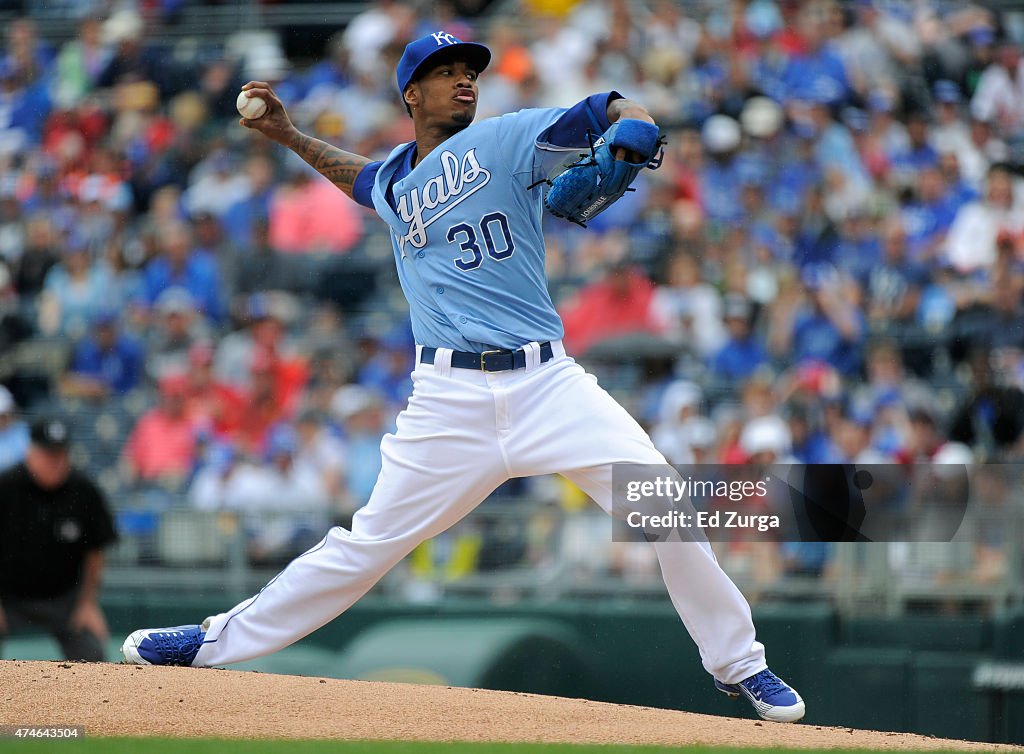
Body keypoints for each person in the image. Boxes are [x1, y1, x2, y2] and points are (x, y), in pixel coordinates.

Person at [121, 31, 805, 723]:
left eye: (468, 71)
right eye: (445, 72)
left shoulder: (510, 137)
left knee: (666, 507)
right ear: (411, 95)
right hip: (448, 401)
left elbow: (608, 110)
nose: (464, 80)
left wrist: (634, 119)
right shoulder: (395, 179)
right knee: (364, 547)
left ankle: (740, 664)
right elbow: (362, 181)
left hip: (547, 385)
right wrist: (291, 135)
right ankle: (210, 642)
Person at [0, 417, 118, 661]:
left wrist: (88, 603)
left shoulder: (83, 490)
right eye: (48, 454)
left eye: (61, 454)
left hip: (64, 599)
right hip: (8, 596)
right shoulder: (6, 487)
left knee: (94, 657)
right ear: (29, 452)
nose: (56, 462)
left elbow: (95, 552)